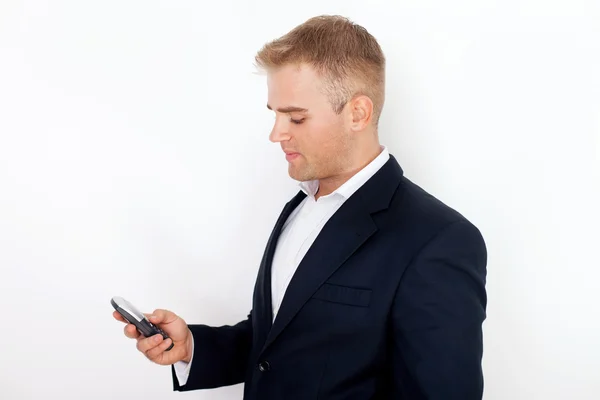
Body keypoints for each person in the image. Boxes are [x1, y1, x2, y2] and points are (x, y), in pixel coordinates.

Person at [113, 15, 488, 399]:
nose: (276, 134)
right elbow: (280, 341)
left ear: (358, 113)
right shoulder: (299, 208)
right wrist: (193, 347)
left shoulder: (439, 241)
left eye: (296, 117)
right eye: (274, 114)